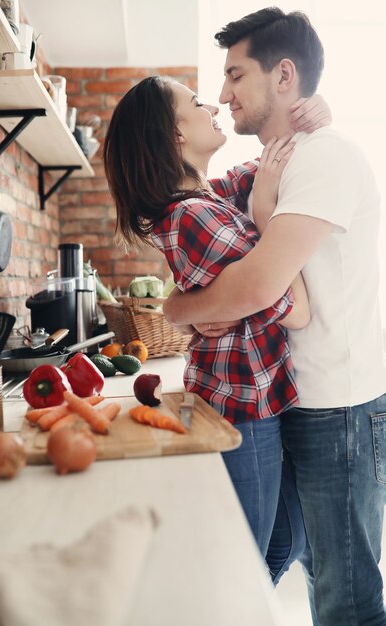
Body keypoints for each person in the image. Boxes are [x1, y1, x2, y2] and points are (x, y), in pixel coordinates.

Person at [163, 8, 386, 626]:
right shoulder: (276, 166)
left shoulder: (324, 157)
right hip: (299, 399)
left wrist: (179, 309)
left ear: (283, 75)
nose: (224, 94)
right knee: (317, 572)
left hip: (337, 407)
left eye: (236, 75)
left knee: (346, 595)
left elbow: (259, 285)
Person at [103, 75, 329, 567]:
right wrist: (267, 213)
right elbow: (297, 308)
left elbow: (265, 166)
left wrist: (313, 118)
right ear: (175, 134)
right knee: (246, 561)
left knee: (284, 542)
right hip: (241, 414)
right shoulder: (194, 217)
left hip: (248, 405)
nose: (214, 104)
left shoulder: (205, 201)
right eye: (196, 102)